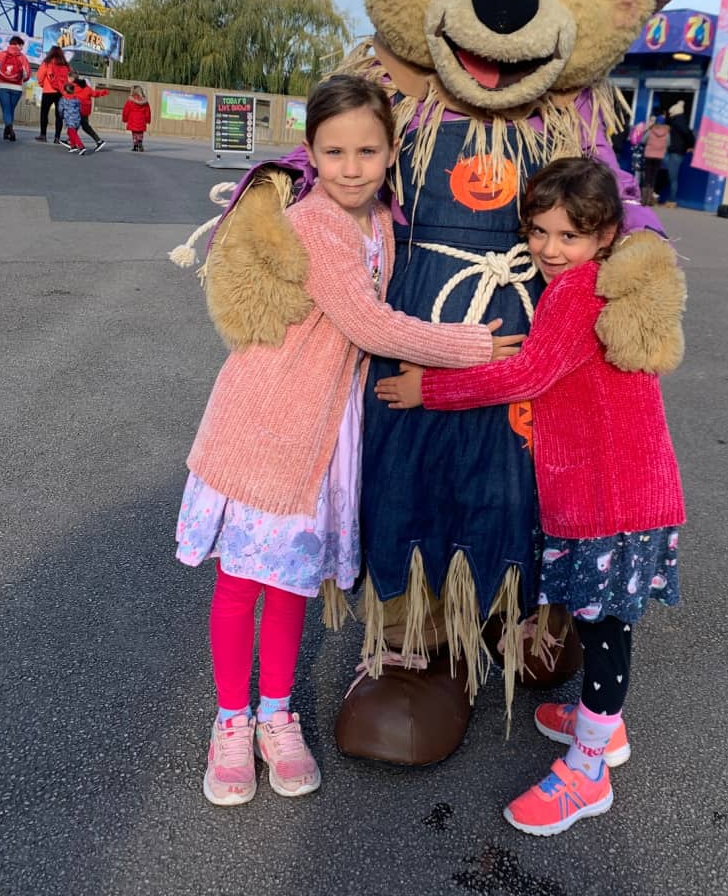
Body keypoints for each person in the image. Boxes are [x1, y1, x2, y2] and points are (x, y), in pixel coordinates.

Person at [177, 76, 523, 807]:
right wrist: (472, 347)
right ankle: (231, 721)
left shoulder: (378, 221)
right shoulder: (318, 223)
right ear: (312, 152)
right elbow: (371, 325)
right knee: (242, 581)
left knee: (293, 580)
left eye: (368, 149)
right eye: (334, 151)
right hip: (268, 421)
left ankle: (277, 712)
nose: (352, 165)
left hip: (323, 431)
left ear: (391, 150)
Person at [375, 157, 685, 837]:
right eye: (538, 231)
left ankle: (589, 768)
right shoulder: (591, 281)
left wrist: (430, 387)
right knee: (602, 619)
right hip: (616, 488)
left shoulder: (575, 293)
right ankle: (603, 725)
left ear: (604, 235)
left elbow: (526, 373)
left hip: (612, 499)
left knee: (605, 629)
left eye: (568, 235)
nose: (548, 248)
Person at [0, 35, 31, 142]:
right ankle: (8, 130)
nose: (22, 48)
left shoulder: (0, 55)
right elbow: (27, 75)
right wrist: (21, 81)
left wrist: (0, 77)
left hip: (2, 86)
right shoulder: (22, 58)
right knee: (10, 109)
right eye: (22, 45)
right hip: (17, 87)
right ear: (17, 44)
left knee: (6, 109)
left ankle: (9, 129)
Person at [35, 48, 72, 143]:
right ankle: (57, 138)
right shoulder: (66, 65)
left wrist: (43, 84)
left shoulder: (47, 62)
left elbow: (40, 76)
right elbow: (70, 78)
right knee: (59, 115)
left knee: (44, 113)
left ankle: (43, 135)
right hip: (61, 92)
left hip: (48, 91)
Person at [664, 101, 695, 207]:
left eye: (671, 113)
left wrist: (691, 145)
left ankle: (671, 200)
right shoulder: (681, 122)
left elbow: (687, 133)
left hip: (676, 152)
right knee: (671, 176)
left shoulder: (677, 123)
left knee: (672, 177)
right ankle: (669, 200)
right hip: (678, 151)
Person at [636, 115, 670, 205]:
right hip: (659, 156)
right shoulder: (667, 133)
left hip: (649, 155)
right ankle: (649, 200)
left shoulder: (651, 131)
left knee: (647, 177)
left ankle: (644, 200)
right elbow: (668, 144)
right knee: (653, 177)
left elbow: (643, 140)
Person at [70, 77, 109, 151]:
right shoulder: (88, 89)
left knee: (74, 126)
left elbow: (68, 93)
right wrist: (104, 92)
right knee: (85, 127)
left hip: (78, 110)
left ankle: (73, 143)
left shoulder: (75, 88)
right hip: (85, 111)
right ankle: (98, 141)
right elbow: (96, 93)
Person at [58, 82, 87, 154]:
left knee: (73, 133)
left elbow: (60, 109)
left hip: (69, 119)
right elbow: (80, 108)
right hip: (77, 118)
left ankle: (81, 146)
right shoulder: (76, 99)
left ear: (64, 91)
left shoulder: (63, 99)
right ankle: (73, 146)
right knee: (70, 132)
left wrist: (61, 116)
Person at [122, 85, 151, 150]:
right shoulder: (145, 101)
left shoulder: (130, 101)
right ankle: (140, 143)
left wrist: (124, 119)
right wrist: (148, 120)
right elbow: (148, 111)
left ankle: (135, 145)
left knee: (134, 133)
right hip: (142, 119)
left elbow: (126, 111)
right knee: (140, 133)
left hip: (132, 119)